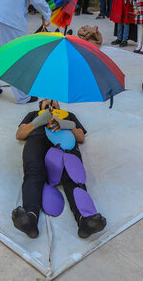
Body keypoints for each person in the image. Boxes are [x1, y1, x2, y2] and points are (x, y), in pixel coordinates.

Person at [12, 99, 106, 239]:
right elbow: (19, 135)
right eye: (46, 101)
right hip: (37, 141)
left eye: (54, 101)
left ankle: (85, 221)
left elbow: (80, 137)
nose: (50, 102)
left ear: (59, 104)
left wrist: (64, 124)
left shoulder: (69, 115)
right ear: (41, 105)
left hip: (64, 144)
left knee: (74, 176)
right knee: (34, 172)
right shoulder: (33, 114)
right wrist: (38, 121)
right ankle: (30, 219)